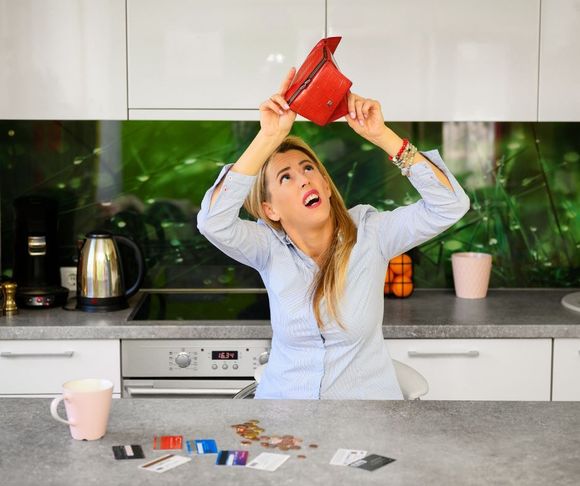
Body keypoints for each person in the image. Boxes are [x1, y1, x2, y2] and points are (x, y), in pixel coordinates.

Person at [197, 68, 470, 399]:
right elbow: (213, 222)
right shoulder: (266, 246)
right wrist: (268, 137)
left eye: (309, 169)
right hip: (284, 421)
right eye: (286, 177)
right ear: (271, 210)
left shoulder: (372, 234)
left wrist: (382, 135)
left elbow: (450, 205)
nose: (304, 179)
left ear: (325, 186)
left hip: (365, 421)